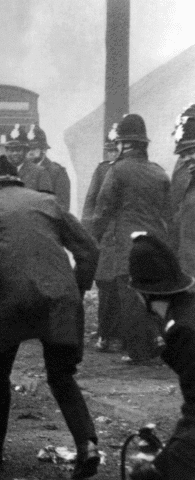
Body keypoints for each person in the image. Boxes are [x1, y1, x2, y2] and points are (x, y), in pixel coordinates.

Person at [0, 156, 101, 479]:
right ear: (18, 180)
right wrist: (79, 286)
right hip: (59, 298)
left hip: (11, 299)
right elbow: (89, 249)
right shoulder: (47, 202)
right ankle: (87, 445)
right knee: (60, 376)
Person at [125, 233, 195, 480]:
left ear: (142, 294)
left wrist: (162, 466)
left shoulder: (183, 331)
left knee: (184, 459)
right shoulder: (186, 316)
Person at [91, 114, 172, 363]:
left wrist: (94, 239)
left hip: (127, 246)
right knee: (153, 296)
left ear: (124, 144)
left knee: (130, 300)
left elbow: (103, 209)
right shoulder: (159, 172)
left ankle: (139, 352)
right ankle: (160, 340)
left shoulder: (117, 171)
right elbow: (167, 212)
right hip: (157, 244)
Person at [83, 136, 122, 352]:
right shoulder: (101, 171)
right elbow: (91, 203)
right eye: (109, 150)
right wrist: (89, 235)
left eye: (116, 149)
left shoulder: (130, 170)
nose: (112, 154)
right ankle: (106, 334)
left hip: (125, 234)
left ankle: (124, 334)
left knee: (125, 286)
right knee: (106, 284)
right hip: (106, 235)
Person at [170, 111, 195, 275]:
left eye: (191, 152)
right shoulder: (182, 174)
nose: (185, 159)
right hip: (187, 270)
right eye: (183, 155)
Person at [27, 124, 70, 210]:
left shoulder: (57, 172)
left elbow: (62, 207)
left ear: (44, 149)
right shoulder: (23, 171)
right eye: (28, 149)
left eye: (34, 148)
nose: (30, 152)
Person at [3, 124, 53, 193]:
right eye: (11, 150)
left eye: (18, 149)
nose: (14, 153)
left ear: (25, 150)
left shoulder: (40, 173)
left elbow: (46, 201)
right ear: (6, 151)